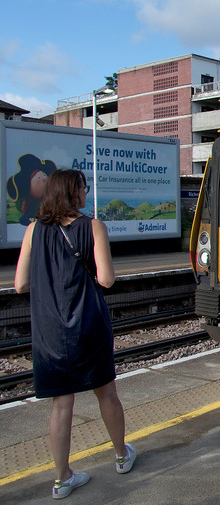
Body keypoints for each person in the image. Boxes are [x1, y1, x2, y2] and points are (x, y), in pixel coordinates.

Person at [13, 169, 136, 499]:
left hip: (50, 331)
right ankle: (122, 456)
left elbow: (20, 284)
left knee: (61, 403)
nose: (86, 193)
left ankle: (62, 477)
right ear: (73, 192)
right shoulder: (93, 226)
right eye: (83, 187)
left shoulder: (33, 230)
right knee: (106, 393)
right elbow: (107, 279)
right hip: (88, 325)